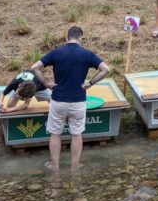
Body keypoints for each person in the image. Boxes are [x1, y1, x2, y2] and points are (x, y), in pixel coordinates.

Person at [30, 26, 111, 170]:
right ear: (81, 38)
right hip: (78, 101)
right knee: (76, 134)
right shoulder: (87, 54)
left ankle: (55, 165)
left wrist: (46, 83)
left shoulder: (56, 53)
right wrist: (90, 83)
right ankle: (75, 166)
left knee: (55, 134)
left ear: (67, 38)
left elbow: (35, 67)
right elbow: (106, 69)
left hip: (58, 100)